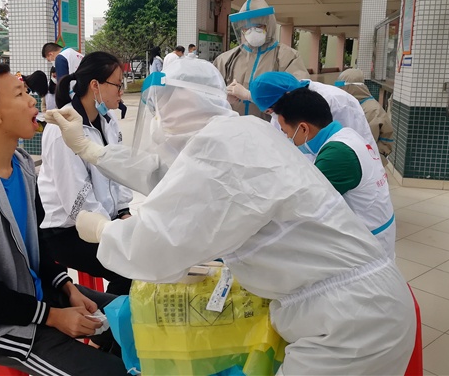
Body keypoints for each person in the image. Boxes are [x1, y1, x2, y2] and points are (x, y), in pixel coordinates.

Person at [45, 58, 417, 375]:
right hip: (359, 307)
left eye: (163, 106)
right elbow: (167, 175)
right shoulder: (239, 133)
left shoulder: (223, 149)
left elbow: (159, 242)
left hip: (352, 323)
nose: (159, 119)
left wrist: (106, 231)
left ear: (183, 105)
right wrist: (92, 150)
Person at [0, 62, 127, 376]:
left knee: (131, 319)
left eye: (27, 91)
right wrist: (52, 316)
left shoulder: (22, 167)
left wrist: (68, 288)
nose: (32, 100)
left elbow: (39, 247)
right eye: (19, 94)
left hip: (37, 298)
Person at [37, 52, 133, 296]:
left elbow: (119, 170)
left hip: (105, 221)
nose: (121, 91)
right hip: (68, 231)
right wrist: (113, 231)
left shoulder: (108, 119)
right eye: (117, 84)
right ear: (95, 86)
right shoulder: (62, 127)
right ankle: (109, 317)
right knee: (129, 268)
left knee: (143, 251)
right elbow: (77, 200)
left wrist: (124, 212)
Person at [271, 88, 396, 260]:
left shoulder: (338, 154)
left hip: (367, 244)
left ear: (304, 128)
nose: (287, 138)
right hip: (375, 230)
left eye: (286, 132)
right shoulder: (345, 134)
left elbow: (305, 204)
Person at [213, 0, 310, 118]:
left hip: (270, 128)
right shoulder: (225, 59)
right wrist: (223, 96)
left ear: (269, 25)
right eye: (247, 28)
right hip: (233, 126)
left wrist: (250, 96)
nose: (252, 31)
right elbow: (208, 94)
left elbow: (297, 97)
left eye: (258, 26)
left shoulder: (288, 57)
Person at [249, 71, 377, 161]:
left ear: (287, 96)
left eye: (272, 110)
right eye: (269, 112)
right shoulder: (280, 111)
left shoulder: (337, 102)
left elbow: (354, 147)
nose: (275, 115)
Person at [336, 68, 395, 165]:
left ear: (352, 88)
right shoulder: (356, 105)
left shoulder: (372, 110)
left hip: (370, 160)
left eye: (341, 87)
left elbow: (365, 140)